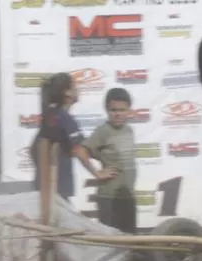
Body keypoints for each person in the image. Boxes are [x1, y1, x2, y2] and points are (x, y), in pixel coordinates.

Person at [31, 72, 115, 202]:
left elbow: (33, 149)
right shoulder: (65, 119)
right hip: (58, 191)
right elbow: (79, 151)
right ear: (67, 93)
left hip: (43, 188)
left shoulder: (49, 115)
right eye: (75, 86)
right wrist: (97, 173)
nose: (78, 89)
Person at [83, 88, 137, 234]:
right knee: (111, 242)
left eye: (122, 109)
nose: (118, 113)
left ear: (128, 110)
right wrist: (97, 173)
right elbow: (82, 151)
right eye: (113, 110)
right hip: (109, 198)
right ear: (107, 110)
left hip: (127, 196)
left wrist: (101, 156)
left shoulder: (129, 130)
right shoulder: (103, 131)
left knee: (130, 240)